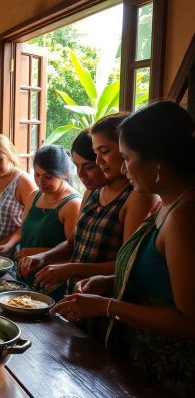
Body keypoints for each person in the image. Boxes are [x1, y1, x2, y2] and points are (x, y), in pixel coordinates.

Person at [52, 101, 195, 396]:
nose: (123, 167)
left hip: (170, 373)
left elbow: (189, 321)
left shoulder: (184, 217)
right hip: (139, 358)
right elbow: (159, 279)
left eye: (127, 158)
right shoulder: (166, 206)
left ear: (158, 161)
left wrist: (106, 306)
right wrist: (110, 280)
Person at [31, 116, 157, 292]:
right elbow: (73, 242)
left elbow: (128, 264)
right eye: (77, 166)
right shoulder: (93, 191)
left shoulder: (137, 196)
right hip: (78, 293)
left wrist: (72, 269)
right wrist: (44, 256)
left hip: (103, 297)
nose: (81, 174)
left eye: (88, 166)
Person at [15, 144, 81, 301]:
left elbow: (74, 251)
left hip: (52, 280)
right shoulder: (34, 196)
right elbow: (24, 230)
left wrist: (35, 252)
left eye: (48, 177)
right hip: (28, 273)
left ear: (64, 174)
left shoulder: (72, 204)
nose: (40, 182)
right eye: (37, 175)